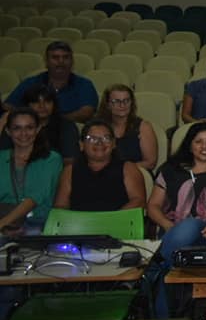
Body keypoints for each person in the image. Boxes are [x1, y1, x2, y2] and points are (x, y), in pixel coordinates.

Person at [146, 122, 206, 318]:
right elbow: (152, 206)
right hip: (172, 233)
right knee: (179, 244)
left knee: (190, 225)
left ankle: (156, 266)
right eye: (198, 142)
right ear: (190, 144)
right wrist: (169, 227)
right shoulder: (170, 169)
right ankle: (165, 312)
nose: (204, 147)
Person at [53, 119, 146, 211]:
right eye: (92, 139)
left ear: (114, 144)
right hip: (80, 224)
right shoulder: (69, 171)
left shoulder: (128, 169)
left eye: (106, 138)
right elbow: (60, 206)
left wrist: (109, 220)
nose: (99, 143)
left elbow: (139, 201)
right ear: (81, 145)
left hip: (117, 223)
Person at [0, 108, 63, 236]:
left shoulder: (51, 159)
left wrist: (2, 223)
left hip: (38, 225)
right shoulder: (1, 157)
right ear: (8, 131)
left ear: (38, 129)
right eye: (17, 128)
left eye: (29, 127)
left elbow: (35, 198)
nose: (23, 133)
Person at [4, 41, 98, 122]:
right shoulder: (31, 82)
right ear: (46, 61)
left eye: (65, 57)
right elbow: (9, 106)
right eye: (55, 57)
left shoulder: (84, 84)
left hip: (69, 131)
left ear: (72, 61)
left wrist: (51, 121)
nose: (61, 61)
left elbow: (86, 112)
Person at [0, 83, 79, 164]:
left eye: (47, 101)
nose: (42, 106)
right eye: (36, 102)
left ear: (54, 104)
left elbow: (70, 159)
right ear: (27, 105)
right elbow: (4, 155)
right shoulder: (15, 125)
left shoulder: (66, 126)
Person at [95, 84, 159, 171]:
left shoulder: (143, 127)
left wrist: (120, 170)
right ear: (108, 104)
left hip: (136, 174)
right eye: (116, 101)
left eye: (126, 100)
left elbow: (150, 163)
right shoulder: (97, 127)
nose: (122, 105)